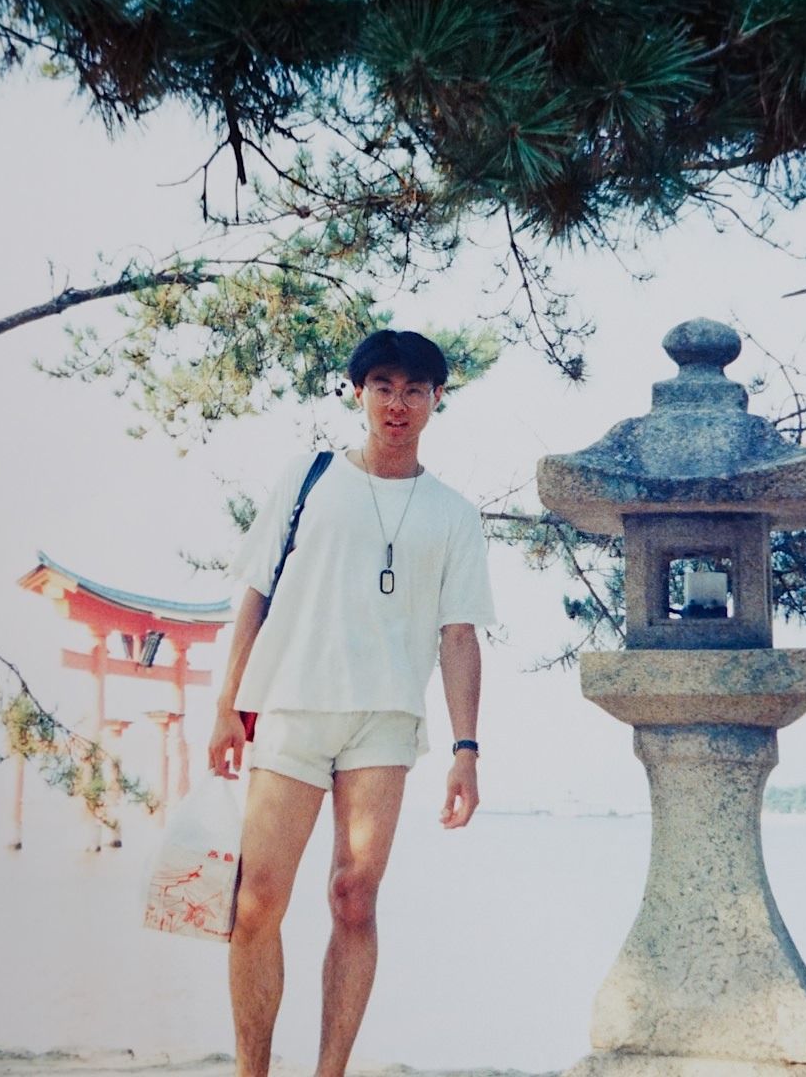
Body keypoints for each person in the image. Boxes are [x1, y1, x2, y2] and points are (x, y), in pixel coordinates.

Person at [208, 328, 496, 1077]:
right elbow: (254, 594)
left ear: (436, 398)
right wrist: (226, 706)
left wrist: (466, 750)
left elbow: (459, 635)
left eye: (413, 390)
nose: (397, 405)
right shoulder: (310, 479)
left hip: (384, 722)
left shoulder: (454, 515)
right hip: (292, 708)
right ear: (359, 393)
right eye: (383, 388)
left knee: (354, 897)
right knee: (256, 901)